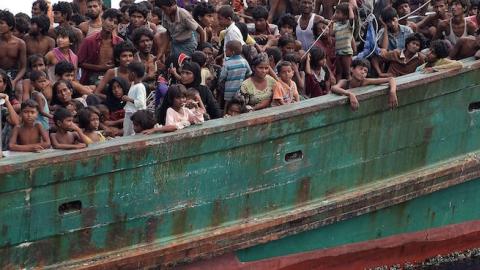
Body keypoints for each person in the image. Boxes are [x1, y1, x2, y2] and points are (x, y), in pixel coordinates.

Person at [77, 8, 123, 85]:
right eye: (110, 20)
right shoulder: (89, 40)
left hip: (113, 78)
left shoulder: (119, 42)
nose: (112, 24)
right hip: (91, 79)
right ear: (102, 19)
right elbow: (79, 62)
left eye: (115, 22)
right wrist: (100, 67)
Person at [332, 59, 398, 111]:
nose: (363, 72)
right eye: (360, 69)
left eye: (365, 71)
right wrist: (349, 94)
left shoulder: (365, 81)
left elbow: (391, 79)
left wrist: (392, 92)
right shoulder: (344, 82)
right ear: (352, 69)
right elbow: (334, 88)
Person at [219, 40, 252, 106]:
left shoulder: (227, 63)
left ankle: (225, 115)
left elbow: (222, 77)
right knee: (241, 106)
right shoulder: (244, 61)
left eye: (226, 49)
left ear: (232, 52)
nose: (225, 51)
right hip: (241, 91)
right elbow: (249, 73)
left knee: (227, 105)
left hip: (229, 91)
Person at [0, 10, 27, 91]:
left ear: (10, 26)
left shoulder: (20, 43)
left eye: (1, 23)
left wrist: (14, 81)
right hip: (0, 73)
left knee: (19, 89)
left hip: (14, 74)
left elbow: (23, 67)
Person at [122, 62, 147, 136]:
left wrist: (128, 99)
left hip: (135, 116)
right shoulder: (133, 84)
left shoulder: (140, 87)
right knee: (126, 131)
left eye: (128, 73)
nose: (127, 75)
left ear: (133, 74)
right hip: (130, 113)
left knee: (132, 133)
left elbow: (140, 103)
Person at [333, 1, 355, 81]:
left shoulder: (349, 25)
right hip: (338, 52)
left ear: (345, 15)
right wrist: (332, 22)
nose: (335, 14)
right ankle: (338, 86)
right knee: (339, 71)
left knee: (347, 72)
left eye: (338, 13)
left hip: (346, 52)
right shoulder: (336, 25)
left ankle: (351, 87)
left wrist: (350, 8)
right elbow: (331, 33)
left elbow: (352, 18)